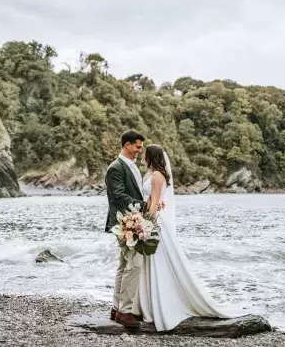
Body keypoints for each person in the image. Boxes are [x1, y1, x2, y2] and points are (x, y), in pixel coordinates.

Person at [133, 144, 242, 332]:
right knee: (151, 262)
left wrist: (146, 224)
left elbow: (156, 202)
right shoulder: (151, 175)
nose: (142, 155)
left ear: (151, 156)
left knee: (159, 262)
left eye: (145, 153)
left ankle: (163, 304)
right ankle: (149, 304)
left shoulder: (158, 177)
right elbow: (150, 201)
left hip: (157, 222)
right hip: (151, 217)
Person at [104, 130, 147, 329]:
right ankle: (125, 311)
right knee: (134, 265)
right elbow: (119, 197)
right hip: (125, 222)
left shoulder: (130, 166)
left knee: (124, 264)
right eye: (137, 146)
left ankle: (116, 308)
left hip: (130, 220)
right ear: (127, 145)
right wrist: (144, 206)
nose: (140, 150)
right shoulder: (116, 167)